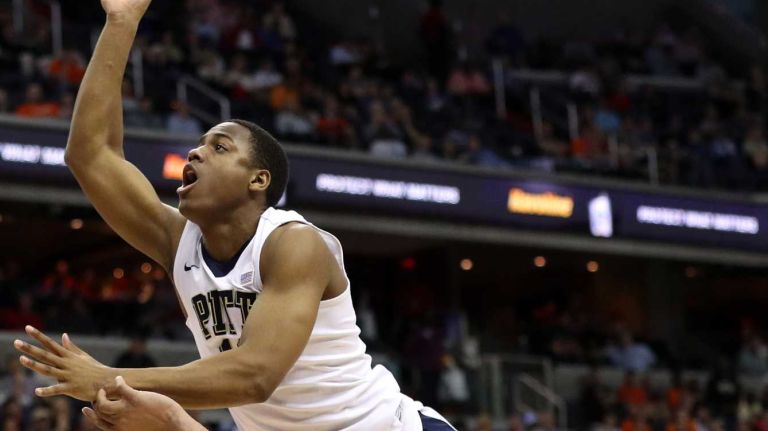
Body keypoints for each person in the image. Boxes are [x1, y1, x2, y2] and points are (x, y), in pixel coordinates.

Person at [13, 1, 455, 430]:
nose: (196, 151)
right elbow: (90, 155)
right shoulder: (179, 242)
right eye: (200, 144)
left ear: (258, 180)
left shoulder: (292, 243)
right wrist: (121, 22)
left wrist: (109, 378)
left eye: (219, 147)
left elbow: (255, 376)